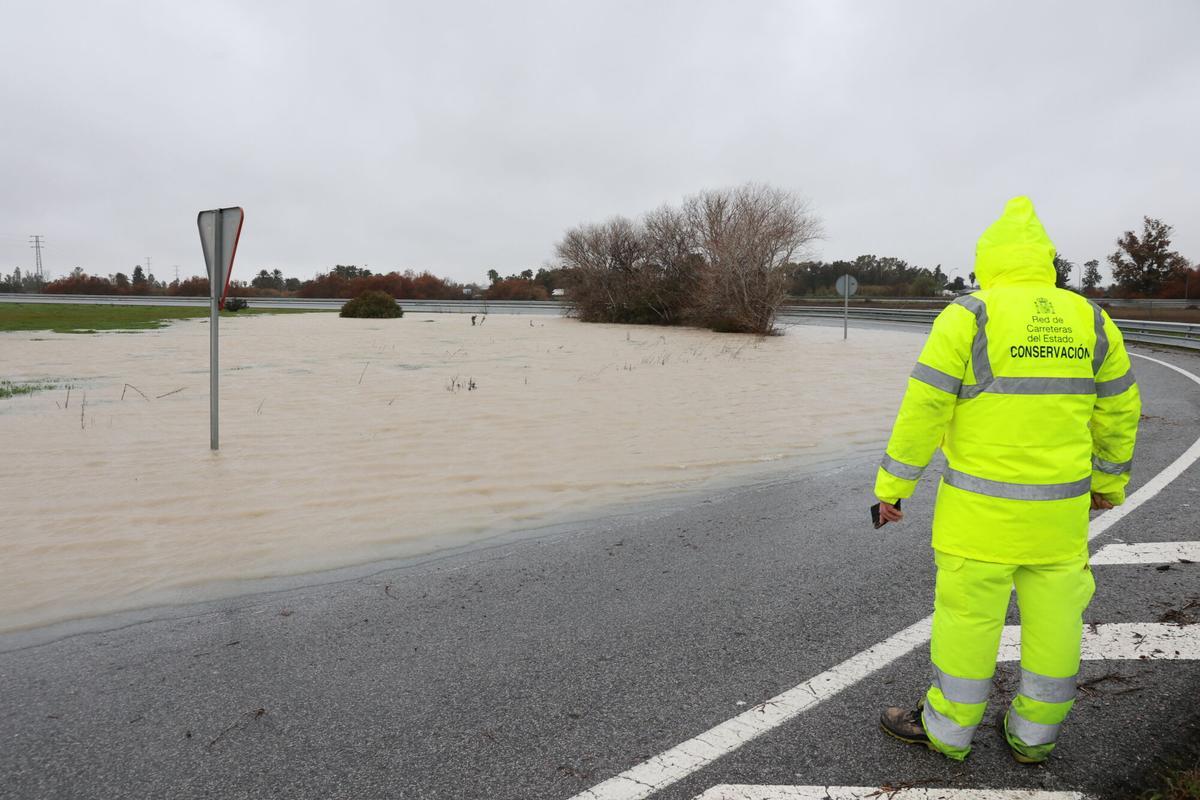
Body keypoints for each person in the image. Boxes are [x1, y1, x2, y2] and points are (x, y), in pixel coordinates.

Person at [874, 196, 1141, 763]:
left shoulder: (969, 315)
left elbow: (925, 408)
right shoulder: (1090, 318)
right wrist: (1108, 484)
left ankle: (948, 729)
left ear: (988, 259)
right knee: (1056, 623)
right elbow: (1118, 411)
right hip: (1058, 520)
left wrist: (893, 488)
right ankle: (1033, 735)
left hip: (978, 520)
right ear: (1045, 260)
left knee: (968, 622)